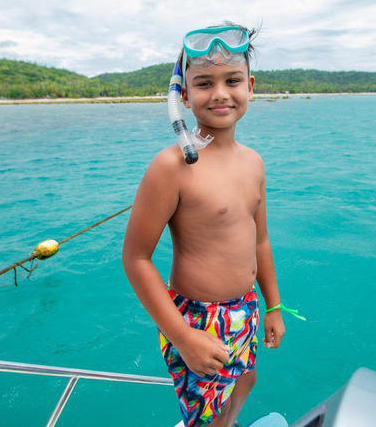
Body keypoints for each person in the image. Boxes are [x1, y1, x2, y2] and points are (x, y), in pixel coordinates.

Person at [122, 23, 286, 427]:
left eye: (232, 80)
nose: (219, 93)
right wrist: (183, 337)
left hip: (245, 307)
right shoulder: (171, 167)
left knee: (245, 379)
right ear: (183, 95)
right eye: (204, 83)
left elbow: (260, 241)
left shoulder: (254, 162)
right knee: (207, 415)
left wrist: (273, 305)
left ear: (250, 86)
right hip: (197, 320)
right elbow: (136, 258)